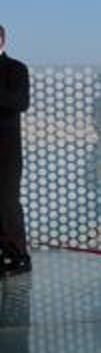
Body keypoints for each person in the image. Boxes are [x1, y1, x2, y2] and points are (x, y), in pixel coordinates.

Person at [0, 24, 32, 278]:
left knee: (7, 202)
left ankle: (18, 255)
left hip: (6, 149)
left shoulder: (16, 69)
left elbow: (20, 102)